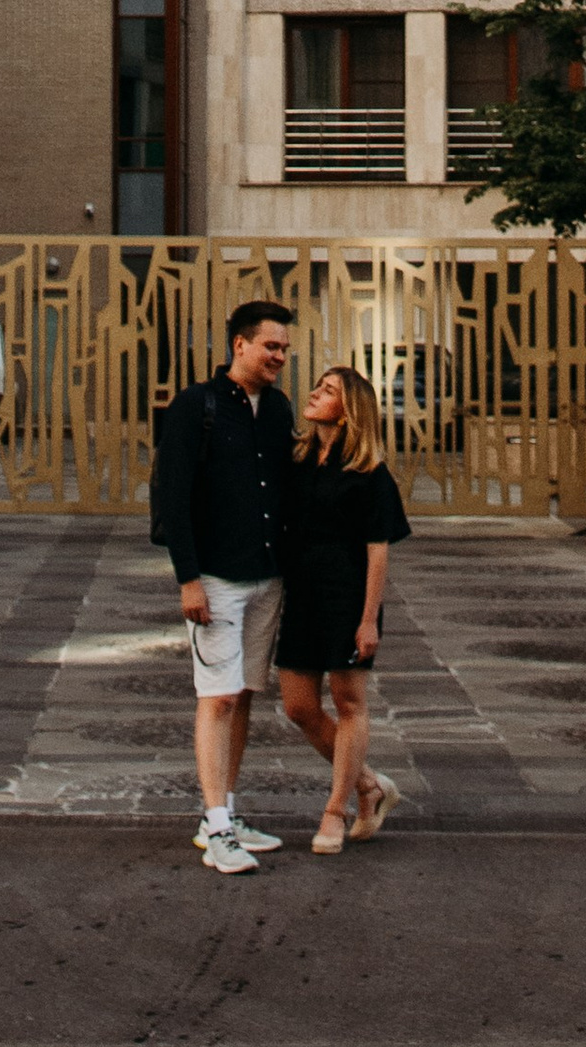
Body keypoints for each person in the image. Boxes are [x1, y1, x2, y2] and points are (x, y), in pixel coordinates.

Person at [148, 297, 297, 874]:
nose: (280, 357)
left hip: (268, 577)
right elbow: (173, 497)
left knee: (244, 696)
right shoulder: (195, 406)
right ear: (240, 344)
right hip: (216, 579)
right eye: (271, 347)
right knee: (218, 697)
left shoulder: (280, 408)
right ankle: (214, 829)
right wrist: (188, 579)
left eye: (284, 349)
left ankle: (228, 813)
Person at [277, 362, 410, 855]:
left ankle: (336, 810)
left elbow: (379, 548)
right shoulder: (298, 460)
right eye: (317, 386)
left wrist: (368, 618)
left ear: (349, 409)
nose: (313, 394)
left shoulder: (369, 473)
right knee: (299, 707)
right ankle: (369, 785)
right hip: (302, 597)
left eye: (327, 390)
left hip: (348, 597)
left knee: (349, 702)